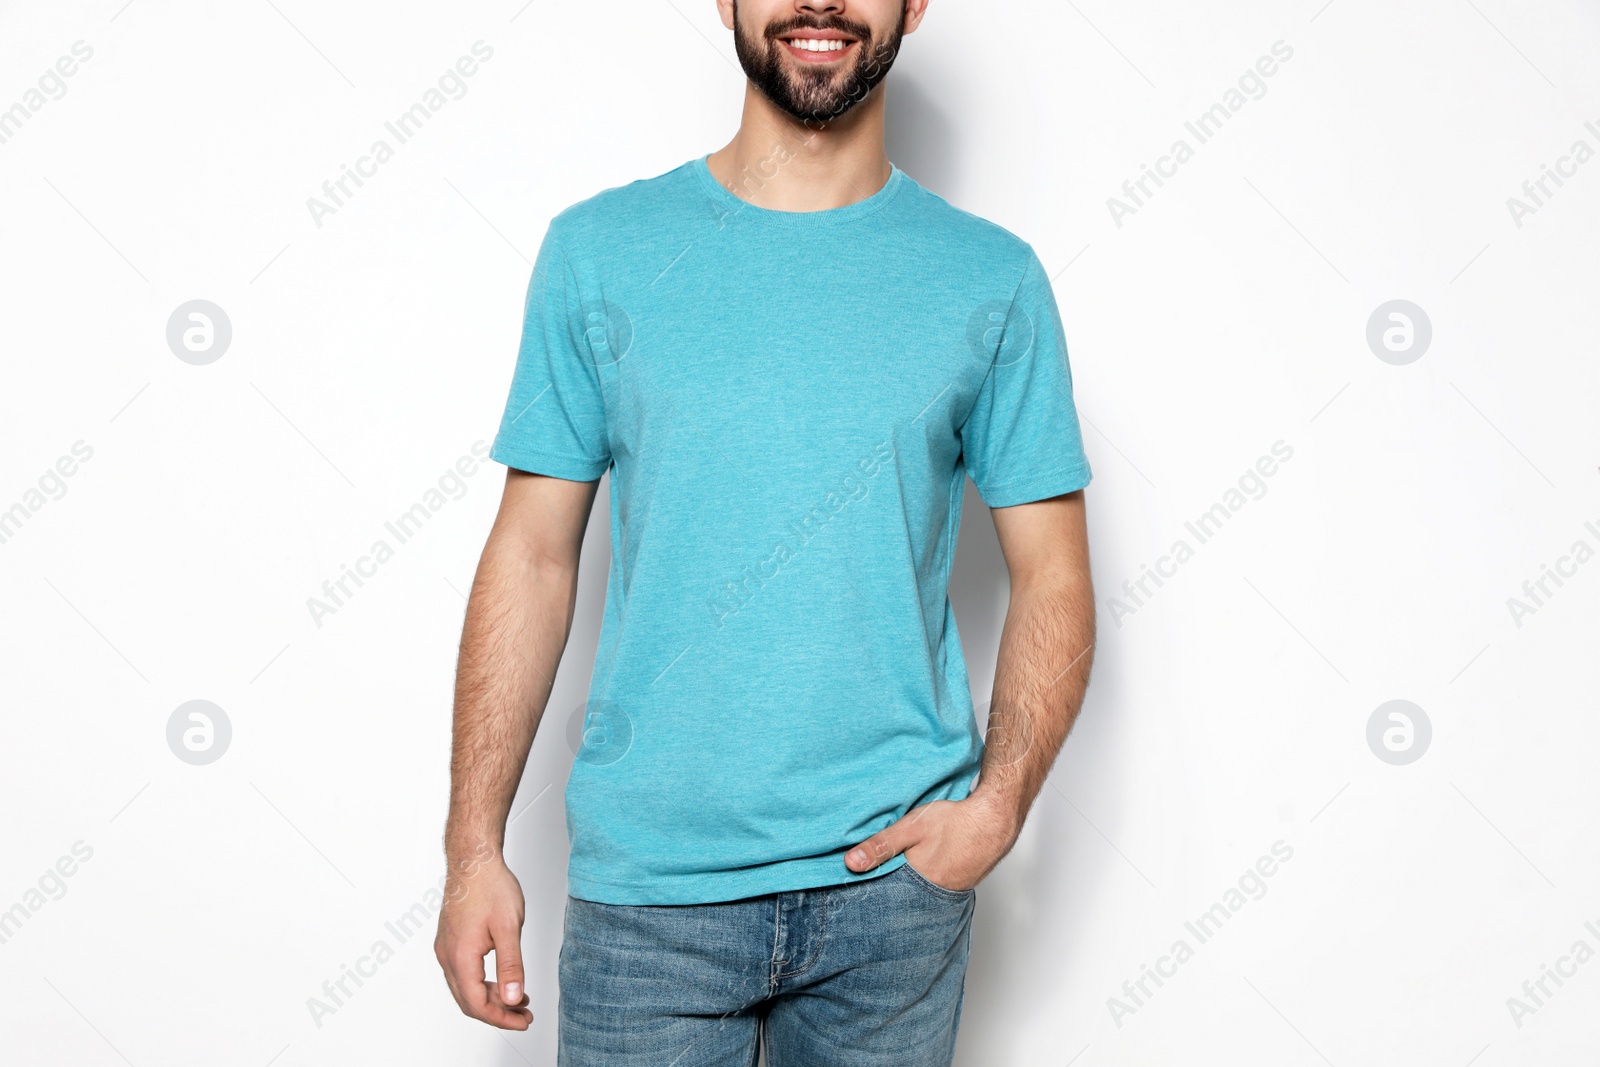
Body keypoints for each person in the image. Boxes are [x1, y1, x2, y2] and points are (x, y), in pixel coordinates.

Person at [434, 1, 1096, 1062]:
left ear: (914, 3)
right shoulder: (601, 253)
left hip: (891, 898)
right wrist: (474, 846)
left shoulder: (989, 279)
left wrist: (998, 806)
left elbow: (1053, 569)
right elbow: (531, 553)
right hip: (649, 899)